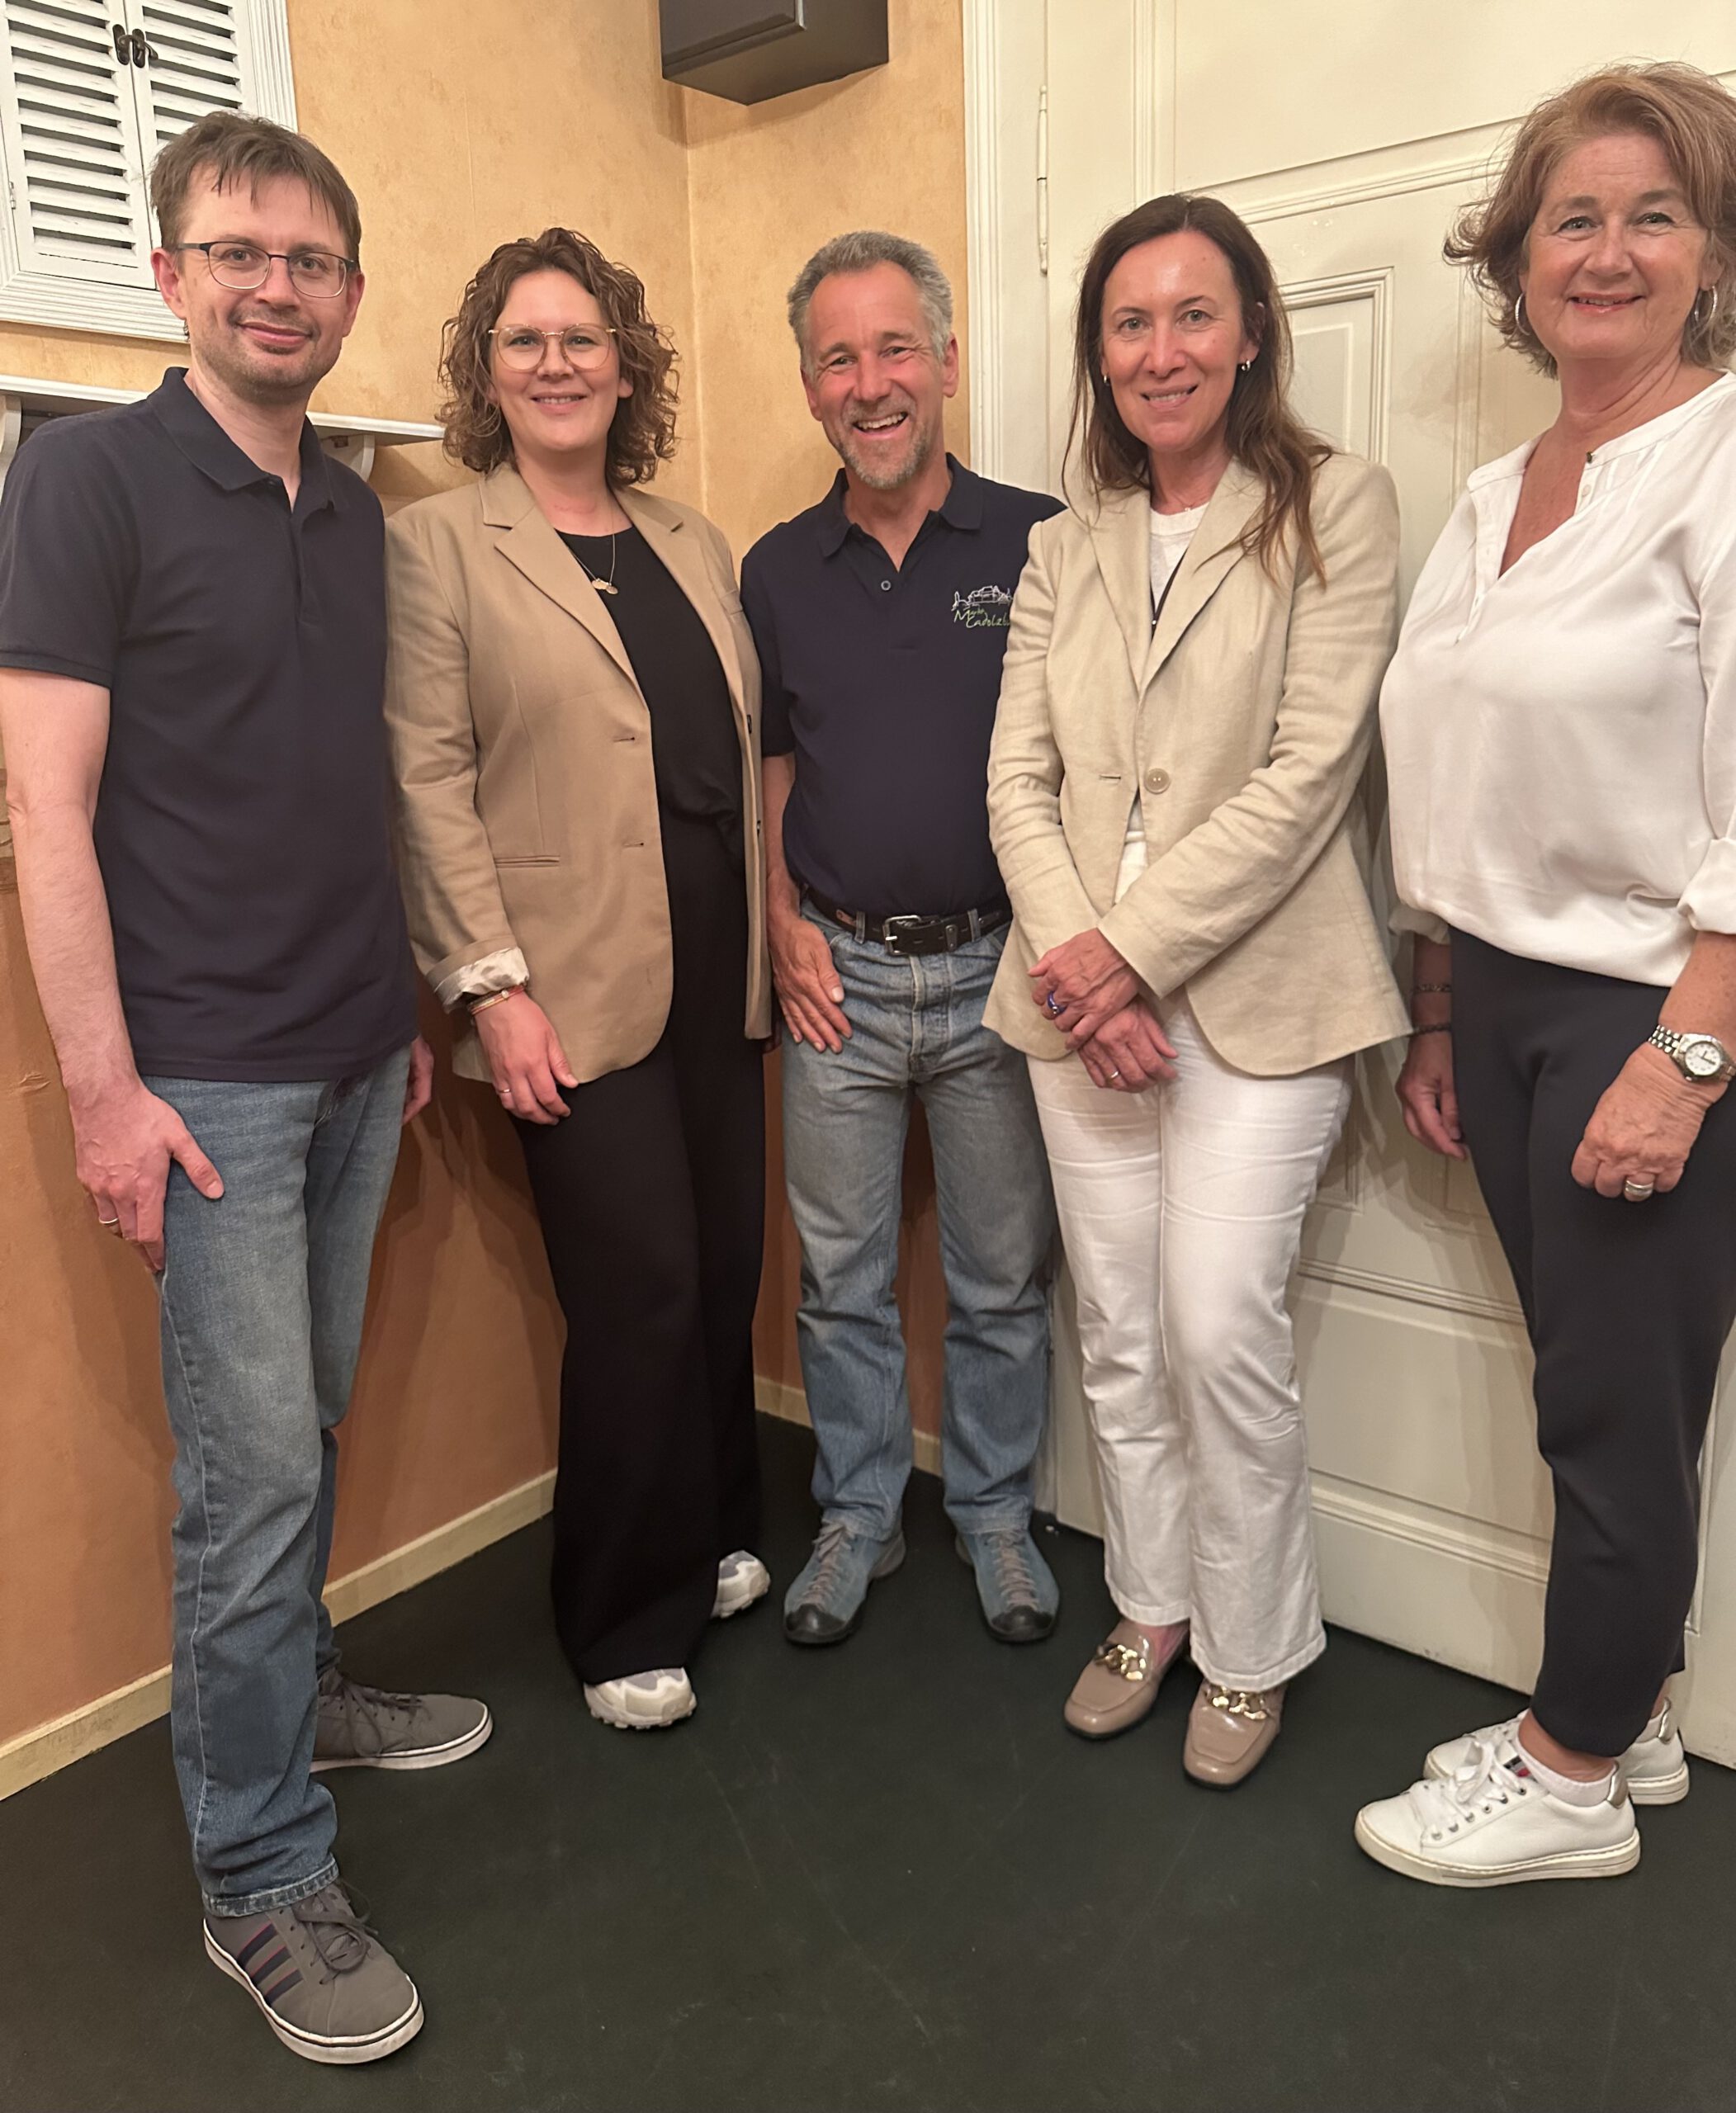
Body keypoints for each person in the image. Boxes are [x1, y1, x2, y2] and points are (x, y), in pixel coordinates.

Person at [0, 113, 490, 2065]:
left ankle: (285, 1693)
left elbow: (338, 774)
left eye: (310, 260)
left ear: (348, 293)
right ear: (170, 273)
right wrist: (103, 1096)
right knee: (253, 1468)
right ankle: (260, 1869)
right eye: (240, 253)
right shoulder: (85, 479)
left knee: (313, 1417)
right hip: (201, 1078)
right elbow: (43, 806)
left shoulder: (354, 508)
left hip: (360, 1049)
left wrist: (407, 1009)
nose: (277, 285)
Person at [1360, 60, 1736, 1885]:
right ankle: (1637, 1708)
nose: (1602, 251)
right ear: (1514, 259)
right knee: (1582, 1381)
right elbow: (1447, 765)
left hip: (1645, 1004)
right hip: (1499, 998)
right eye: (1567, 218)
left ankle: (1569, 1769)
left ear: (1708, 252)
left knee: (1609, 1405)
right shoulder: (1502, 482)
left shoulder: (1722, 460)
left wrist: (1683, 1055)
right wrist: (1439, 1001)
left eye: (1648, 214)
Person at [986, 196, 1405, 1786]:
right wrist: (1081, 963)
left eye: (1192, 316)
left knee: (1217, 1326)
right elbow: (1016, 777)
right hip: (1073, 996)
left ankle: (1251, 1646)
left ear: (1250, 336)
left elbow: (1311, 777)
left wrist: (1131, 951)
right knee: (1115, 1333)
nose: (1161, 351)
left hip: (1262, 998)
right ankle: (1147, 1605)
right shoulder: (1059, 545)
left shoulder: (1337, 511)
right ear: (1100, 355)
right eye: (1129, 323)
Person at [386, 229, 771, 1735]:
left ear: (629, 366)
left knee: (725, 1268)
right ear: (489, 371)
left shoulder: (691, 541)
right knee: (642, 1291)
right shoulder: (439, 548)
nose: (558, 364)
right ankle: (619, 1610)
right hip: (564, 986)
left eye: (585, 338)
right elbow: (423, 776)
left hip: (715, 974)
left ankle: (722, 1527)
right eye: (526, 341)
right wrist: (490, 987)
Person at [742, 231, 1062, 1647]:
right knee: (841, 1276)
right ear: (811, 386)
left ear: (944, 362)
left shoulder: (1041, 539)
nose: (869, 385)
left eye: (892, 351)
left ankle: (995, 1513)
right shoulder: (774, 568)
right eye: (836, 358)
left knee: (1002, 1276)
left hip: (1005, 973)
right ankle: (860, 1512)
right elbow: (773, 767)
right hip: (840, 984)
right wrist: (779, 921)